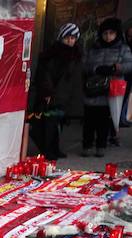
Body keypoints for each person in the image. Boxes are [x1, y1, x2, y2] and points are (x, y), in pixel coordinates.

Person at [29, 23, 82, 159]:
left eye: (73, 38)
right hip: (53, 95)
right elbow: (44, 74)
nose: (70, 41)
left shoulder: (76, 54)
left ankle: (55, 149)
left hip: (65, 96)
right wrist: (47, 92)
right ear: (61, 37)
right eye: (67, 38)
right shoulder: (52, 54)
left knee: (58, 124)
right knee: (48, 124)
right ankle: (48, 151)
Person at [81, 18, 132, 156]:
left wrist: (116, 68)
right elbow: (83, 65)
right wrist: (96, 69)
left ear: (117, 34)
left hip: (111, 89)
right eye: (105, 33)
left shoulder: (123, 48)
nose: (108, 36)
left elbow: (129, 66)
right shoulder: (93, 48)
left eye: (111, 33)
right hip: (93, 88)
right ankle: (86, 145)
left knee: (104, 120)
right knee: (89, 120)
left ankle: (101, 146)